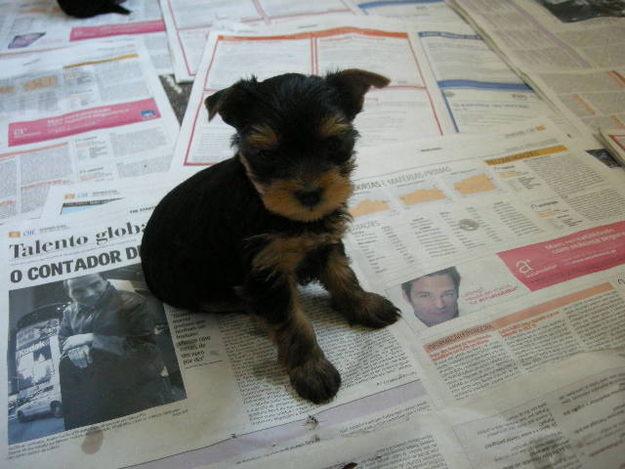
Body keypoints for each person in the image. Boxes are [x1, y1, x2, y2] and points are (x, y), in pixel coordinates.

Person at [58, 273, 169, 429]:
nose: (89, 293)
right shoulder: (69, 313)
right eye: (78, 290)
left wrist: (92, 338)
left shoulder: (133, 303)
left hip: (138, 388)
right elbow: (63, 340)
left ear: (105, 280)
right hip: (98, 393)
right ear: (69, 294)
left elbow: (147, 350)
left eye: (95, 284)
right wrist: (75, 348)